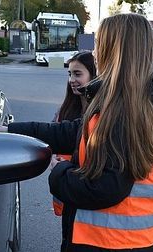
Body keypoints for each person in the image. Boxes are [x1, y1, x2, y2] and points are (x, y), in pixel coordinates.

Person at [0, 13, 153, 252]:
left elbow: (104, 188)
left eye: (99, 43)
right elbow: (73, 132)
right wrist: (10, 130)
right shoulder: (130, 102)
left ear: (112, 50)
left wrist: (59, 172)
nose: (94, 51)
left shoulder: (122, 114)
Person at [51, 51, 97, 216]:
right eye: (69, 74)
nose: (71, 80)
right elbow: (52, 139)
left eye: (78, 74)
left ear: (94, 75)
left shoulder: (102, 114)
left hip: (88, 194)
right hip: (66, 192)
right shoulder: (64, 111)